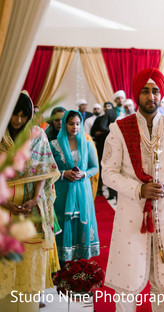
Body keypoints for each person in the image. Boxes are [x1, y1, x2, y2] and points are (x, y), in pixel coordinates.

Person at [102, 68, 164, 311]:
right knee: (126, 283)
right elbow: (108, 173)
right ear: (137, 95)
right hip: (132, 215)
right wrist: (138, 189)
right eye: (145, 91)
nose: (150, 96)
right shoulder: (120, 129)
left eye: (155, 91)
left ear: (161, 95)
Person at [0, 92, 61, 311]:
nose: (17, 120)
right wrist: (5, 202)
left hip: (31, 208)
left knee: (29, 258)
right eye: (14, 114)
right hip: (3, 207)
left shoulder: (37, 135)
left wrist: (36, 198)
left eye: (23, 115)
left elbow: (44, 169)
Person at [50, 110, 100, 262]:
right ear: (64, 124)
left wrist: (83, 174)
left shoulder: (87, 145)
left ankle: (79, 259)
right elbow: (48, 169)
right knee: (64, 221)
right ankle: (62, 259)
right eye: (71, 123)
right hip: (62, 190)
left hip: (82, 191)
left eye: (78, 124)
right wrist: (64, 173)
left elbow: (95, 167)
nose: (75, 127)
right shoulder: (54, 145)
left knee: (80, 222)